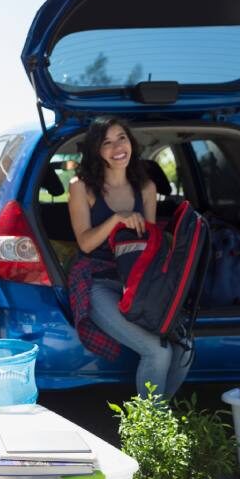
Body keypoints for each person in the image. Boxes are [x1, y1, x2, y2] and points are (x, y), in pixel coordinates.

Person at [67, 116, 190, 398]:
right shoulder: (81, 187)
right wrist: (116, 220)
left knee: (183, 346)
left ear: (131, 142)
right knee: (156, 352)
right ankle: (151, 434)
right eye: (106, 142)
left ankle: (157, 419)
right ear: (97, 151)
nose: (117, 147)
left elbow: (150, 244)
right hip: (96, 281)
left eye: (121, 137)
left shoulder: (146, 188)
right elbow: (85, 243)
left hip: (137, 280)